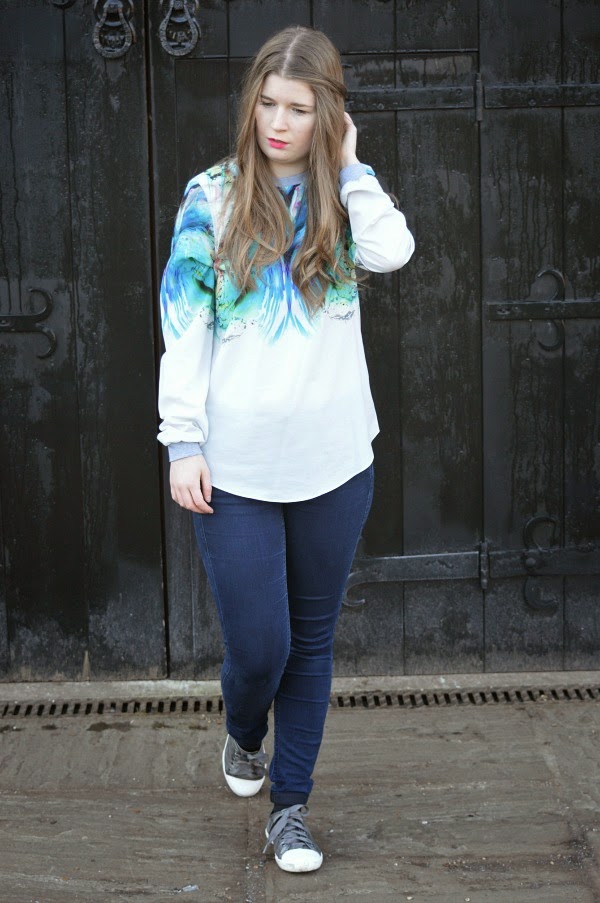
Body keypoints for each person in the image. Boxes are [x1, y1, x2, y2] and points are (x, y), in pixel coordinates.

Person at [157, 25, 414, 873]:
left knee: (310, 643)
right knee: (260, 646)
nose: (278, 122)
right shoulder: (213, 198)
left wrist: (351, 165)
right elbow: (184, 326)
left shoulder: (345, 202)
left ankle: (290, 809)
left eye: (299, 108)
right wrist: (183, 439)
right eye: (267, 103)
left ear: (327, 114)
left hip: (334, 464)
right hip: (234, 468)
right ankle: (242, 729)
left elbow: (395, 250)